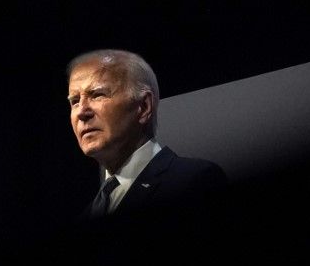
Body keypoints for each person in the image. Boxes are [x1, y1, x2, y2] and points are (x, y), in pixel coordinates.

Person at [66, 48, 228, 225]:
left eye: (97, 95)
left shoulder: (194, 181)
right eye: (74, 101)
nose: (81, 112)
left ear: (143, 107)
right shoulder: (86, 216)